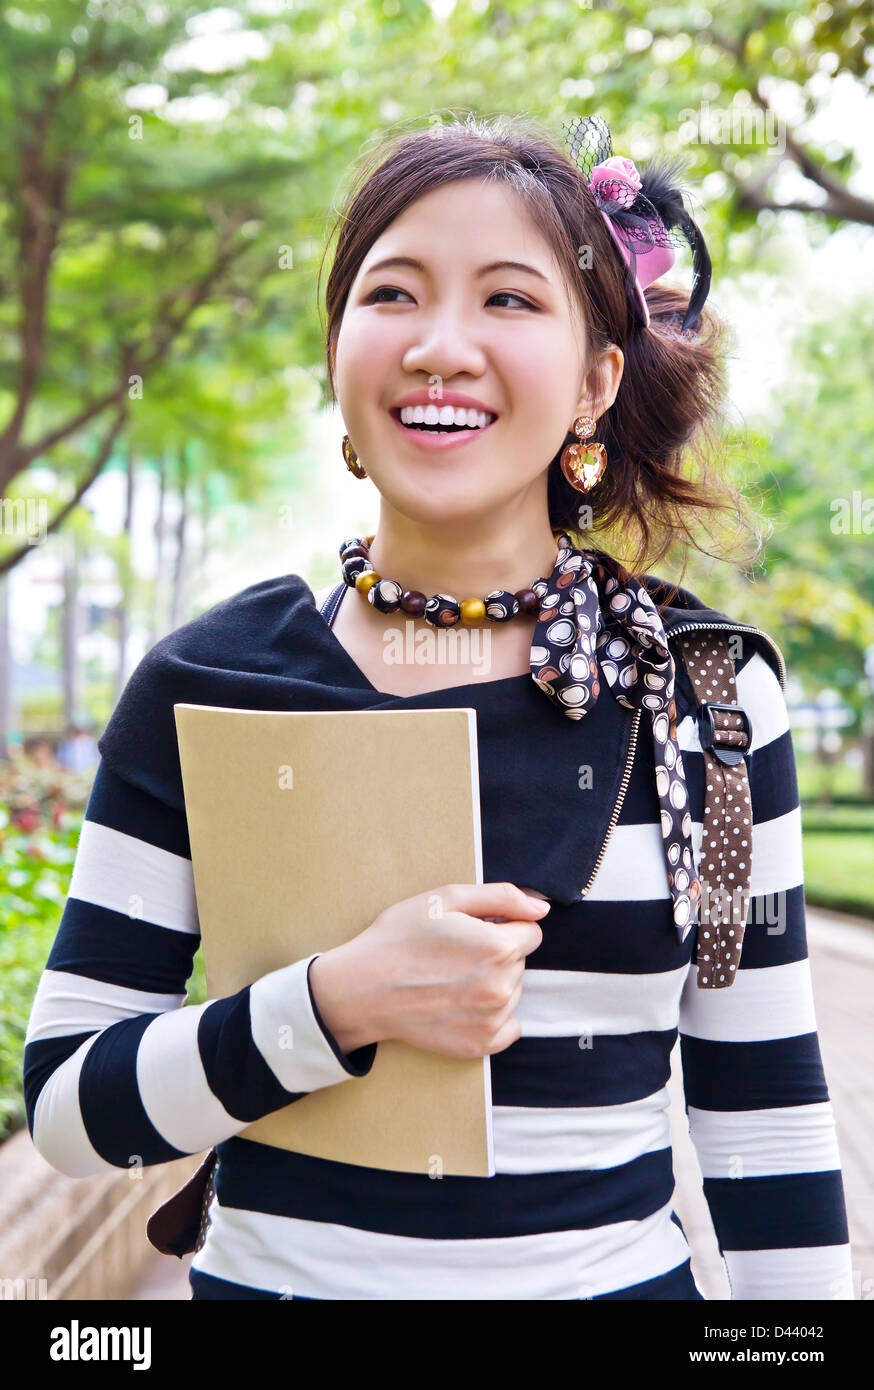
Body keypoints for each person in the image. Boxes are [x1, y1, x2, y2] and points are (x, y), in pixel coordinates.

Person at [22, 112, 852, 1301]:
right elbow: (66, 1110)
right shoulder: (204, 685)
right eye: (393, 294)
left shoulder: (704, 696)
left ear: (594, 382)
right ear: (338, 351)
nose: (440, 347)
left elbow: (761, 1104)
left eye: (510, 301)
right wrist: (333, 1001)